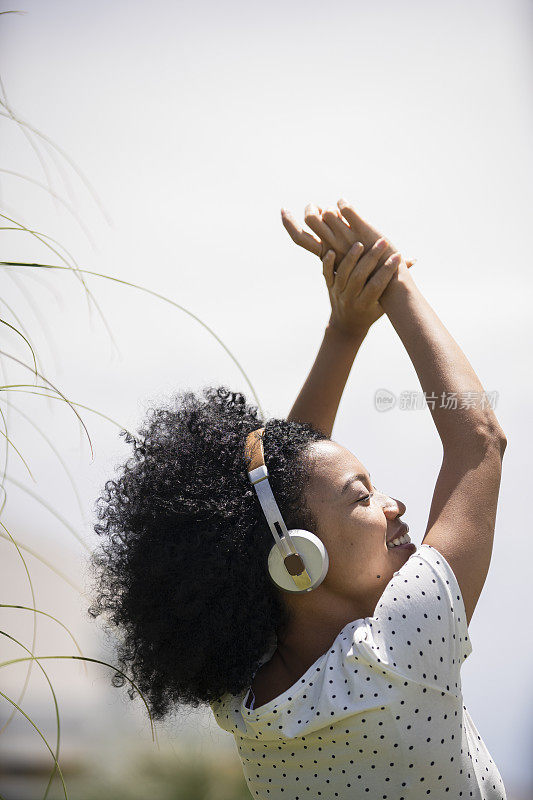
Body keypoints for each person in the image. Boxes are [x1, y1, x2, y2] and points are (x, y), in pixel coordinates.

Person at [88, 199, 507, 800]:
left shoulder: (245, 697)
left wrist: (344, 330)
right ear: (297, 562)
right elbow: (480, 442)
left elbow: (273, 505)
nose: (395, 506)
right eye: (364, 497)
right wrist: (393, 278)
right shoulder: (403, 651)